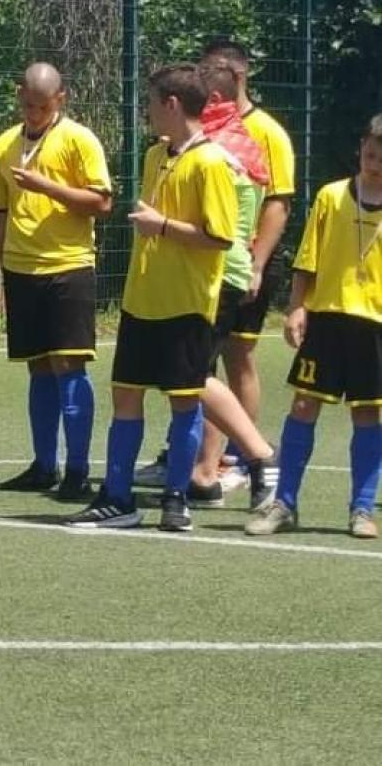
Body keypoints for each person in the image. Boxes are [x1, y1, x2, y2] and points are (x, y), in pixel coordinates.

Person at [68, 64, 238, 531]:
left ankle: (176, 499)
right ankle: (117, 497)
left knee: (184, 401)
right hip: (141, 300)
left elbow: (219, 237)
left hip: (186, 304)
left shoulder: (211, 162)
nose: (147, 111)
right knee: (126, 394)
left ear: (172, 104)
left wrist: (161, 226)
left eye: (151, 102)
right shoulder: (154, 156)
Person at [136, 37, 295, 494]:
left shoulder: (229, 145)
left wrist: (257, 264)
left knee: (206, 368)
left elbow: (270, 206)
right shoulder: (201, 141)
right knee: (194, 370)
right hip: (203, 270)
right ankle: (201, 461)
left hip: (225, 270)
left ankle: (239, 458)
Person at [0, 62, 112, 501]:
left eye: (43, 106)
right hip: (21, 269)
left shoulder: (79, 140)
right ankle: (43, 465)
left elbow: (101, 202)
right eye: (28, 105)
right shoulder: (3, 145)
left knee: (69, 364)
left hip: (68, 266)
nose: (34, 113)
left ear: (61, 99)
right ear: (20, 96)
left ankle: (78, 471)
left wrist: (46, 187)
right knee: (37, 366)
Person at [247, 114, 382, 539]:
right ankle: (284, 503)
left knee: (367, 412)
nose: (375, 164)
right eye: (371, 154)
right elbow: (308, 258)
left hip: (374, 326)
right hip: (326, 319)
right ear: (361, 149)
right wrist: (296, 308)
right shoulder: (331, 196)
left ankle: (362, 509)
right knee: (304, 406)